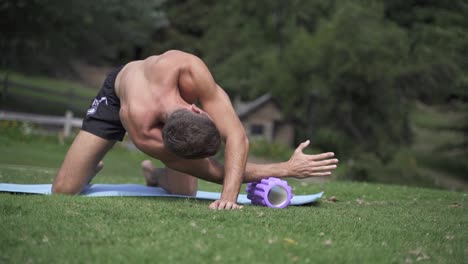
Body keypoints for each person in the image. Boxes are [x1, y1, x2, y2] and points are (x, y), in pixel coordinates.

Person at [52, 50, 339, 210]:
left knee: (185, 191)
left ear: (197, 109)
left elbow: (237, 136)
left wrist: (228, 199)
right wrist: (286, 169)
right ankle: (91, 166)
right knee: (64, 190)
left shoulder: (187, 69)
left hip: (162, 105)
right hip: (117, 95)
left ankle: (154, 175)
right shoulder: (142, 131)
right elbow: (214, 171)